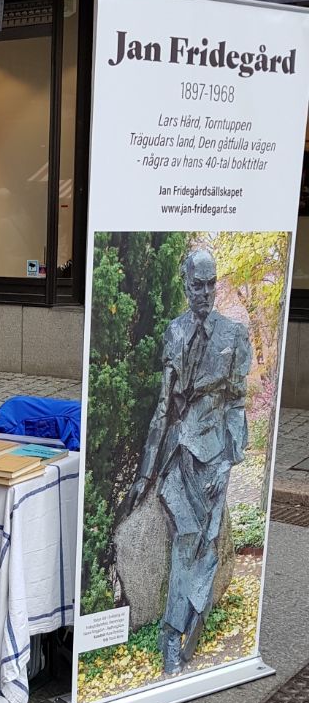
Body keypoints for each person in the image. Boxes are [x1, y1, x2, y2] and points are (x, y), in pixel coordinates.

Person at [126, 249, 251, 676]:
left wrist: (230, 455)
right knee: (187, 539)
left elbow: (237, 402)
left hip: (214, 456)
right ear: (185, 285)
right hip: (180, 455)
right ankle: (170, 635)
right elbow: (164, 407)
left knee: (208, 545)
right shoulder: (174, 332)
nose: (206, 292)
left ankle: (189, 630)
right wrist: (145, 472)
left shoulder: (234, 335)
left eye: (212, 283)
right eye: (197, 285)